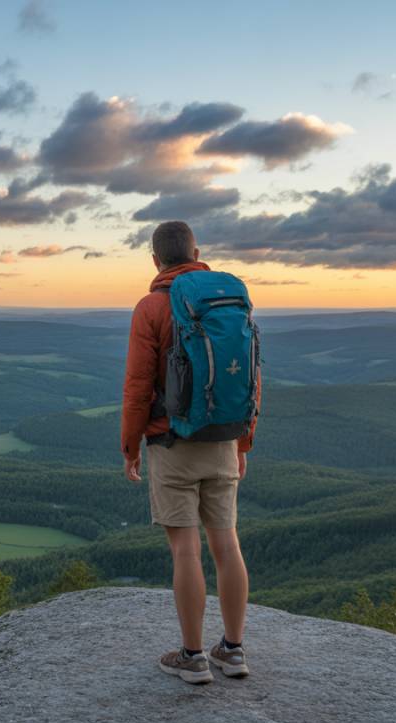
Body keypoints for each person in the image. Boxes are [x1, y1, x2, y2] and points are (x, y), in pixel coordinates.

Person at [121, 220, 260, 685]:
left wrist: (130, 447)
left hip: (171, 442)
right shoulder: (228, 300)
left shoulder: (151, 307)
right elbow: (250, 377)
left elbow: (138, 387)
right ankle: (234, 651)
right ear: (197, 251)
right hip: (222, 438)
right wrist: (243, 440)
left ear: (155, 259)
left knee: (185, 551)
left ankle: (193, 656)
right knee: (227, 544)